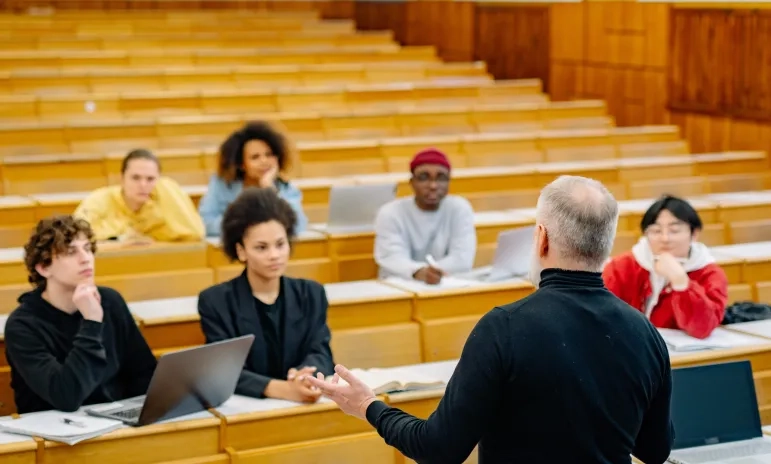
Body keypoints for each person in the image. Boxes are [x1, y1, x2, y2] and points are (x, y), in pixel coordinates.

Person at [308, 175, 674, 463]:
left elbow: (439, 449)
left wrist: (368, 407)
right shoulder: (644, 332)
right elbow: (655, 451)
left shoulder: (505, 328)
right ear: (605, 243)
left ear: (541, 238)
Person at [4, 215, 157, 413]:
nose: (86, 259)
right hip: (53, 434)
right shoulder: (22, 325)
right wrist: (92, 322)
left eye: (87, 249)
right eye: (70, 252)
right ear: (43, 267)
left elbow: (144, 373)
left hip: (115, 423)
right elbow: (66, 396)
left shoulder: (111, 301)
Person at [197, 187, 333, 402]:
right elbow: (224, 371)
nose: (274, 255)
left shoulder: (311, 294)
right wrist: (283, 389)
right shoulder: (215, 302)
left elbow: (321, 352)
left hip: (302, 404)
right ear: (241, 251)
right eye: (261, 248)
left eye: (281, 244)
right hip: (246, 407)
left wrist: (305, 375)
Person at [603, 195, 728, 339]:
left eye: (674, 231)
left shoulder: (709, 273)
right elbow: (602, 314)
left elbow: (702, 328)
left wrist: (681, 283)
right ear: (645, 234)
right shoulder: (622, 266)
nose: (665, 239)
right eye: (656, 231)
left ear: (694, 234)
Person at [373, 148, 476, 284]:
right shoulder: (390, 212)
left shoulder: (459, 208)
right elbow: (391, 257)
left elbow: (462, 258)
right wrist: (418, 272)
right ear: (412, 182)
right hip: (401, 285)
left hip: (448, 284)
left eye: (441, 178)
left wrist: (433, 273)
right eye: (423, 178)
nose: (433, 185)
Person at [198, 121, 308, 237]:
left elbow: (298, 226)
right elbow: (205, 222)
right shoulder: (222, 184)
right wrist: (249, 225)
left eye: (269, 155)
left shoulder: (284, 187)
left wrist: (269, 189)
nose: (264, 161)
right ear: (242, 164)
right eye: (255, 157)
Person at [73, 148, 205, 243]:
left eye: (150, 179)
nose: (143, 185)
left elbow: (195, 234)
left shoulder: (160, 207)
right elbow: (74, 238)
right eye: (135, 178)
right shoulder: (99, 200)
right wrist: (122, 243)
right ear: (122, 179)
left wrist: (166, 185)